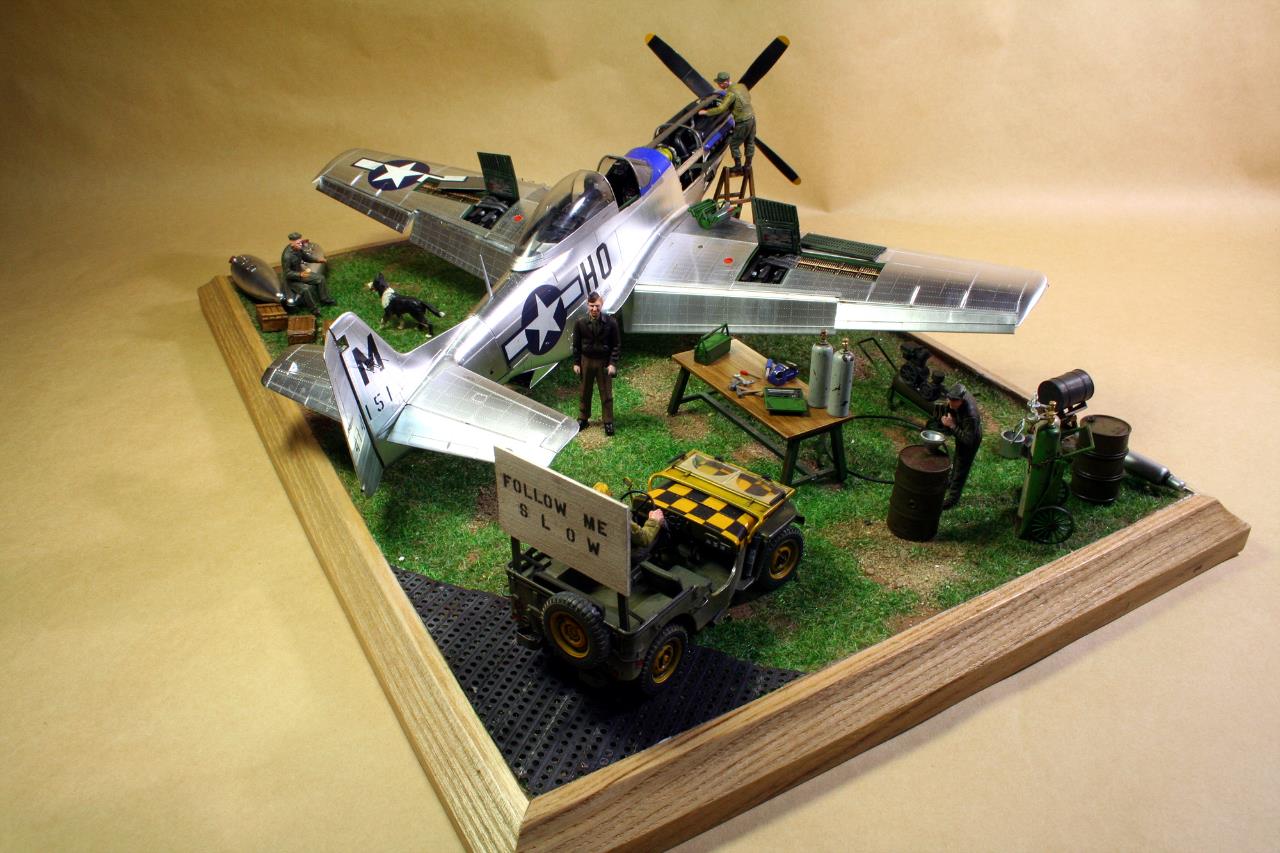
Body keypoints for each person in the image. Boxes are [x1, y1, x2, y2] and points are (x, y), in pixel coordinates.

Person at [572, 291, 621, 435]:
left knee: (606, 393)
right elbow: (576, 345)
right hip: (586, 361)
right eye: (591, 306)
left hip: (603, 362)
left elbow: (616, 345)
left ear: (602, 305)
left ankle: (608, 421)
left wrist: (612, 363)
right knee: (584, 391)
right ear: (588, 305)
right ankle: (583, 418)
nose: (594, 309)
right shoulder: (580, 323)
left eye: (597, 306)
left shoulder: (611, 323)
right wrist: (576, 363)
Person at [594, 483, 665, 566]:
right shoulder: (620, 519)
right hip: (627, 556)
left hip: (604, 548)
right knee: (659, 529)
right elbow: (644, 539)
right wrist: (654, 521)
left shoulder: (590, 511)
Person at [698, 71, 756, 168]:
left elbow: (721, 109)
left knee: (734, 144)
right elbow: (747, 98)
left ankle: (738, 166)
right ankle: (748, 164)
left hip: (743, 121)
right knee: (750, 142)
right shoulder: (741, 86)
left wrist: (706, 112)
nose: (719, 85)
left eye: (720, 83)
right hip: (752, 117)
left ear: (725, 82)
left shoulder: (730, 94)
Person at [939, 383, 983, 509]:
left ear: (961, 400)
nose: (950, 403)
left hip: (971, 438)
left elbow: (968, 440)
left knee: (961, 468)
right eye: (950, 399)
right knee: (957, 460)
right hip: (964, 429)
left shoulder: (971, 415)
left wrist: (952, 425)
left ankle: (952, 499)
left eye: (954, 401)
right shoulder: (958, 394)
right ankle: (950, 482)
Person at [281, 231, 335, 313]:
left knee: (320, 278)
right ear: (292, 243)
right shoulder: (287, 257)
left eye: (301, 242)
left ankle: (325, 299)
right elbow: (287, 273)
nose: (301, 244)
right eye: (298, 243)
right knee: (305, 289)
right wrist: (300, 274)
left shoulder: (299, 249)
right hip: (292, 280)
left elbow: (306, 257)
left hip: (302, 274)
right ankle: (314, 309)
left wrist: (317, 260)